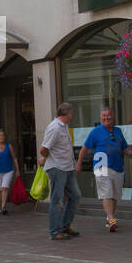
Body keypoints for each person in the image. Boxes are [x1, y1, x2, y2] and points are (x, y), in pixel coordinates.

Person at [78, 107, 132, 232]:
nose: (106, 118)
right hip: (101, 164)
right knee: (106, 193)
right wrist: (79, 163)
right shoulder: (96, 131)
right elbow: (84, 148)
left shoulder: (118, 131)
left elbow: (124, 147)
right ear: (101, 117)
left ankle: (110, 219)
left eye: (108, 115)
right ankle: (111, 218)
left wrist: (131, 153)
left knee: (114, 195)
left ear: (112, 117)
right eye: (104, 116)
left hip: (117, 166)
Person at [40, 102, 81, 241]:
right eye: (72, 113)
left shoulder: (63, 126)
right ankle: (54, 231)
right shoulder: (54, 127)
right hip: (57, 168)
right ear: (69, 114)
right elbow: (43, 148)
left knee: (75, 195)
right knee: (57, 200)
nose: (72, 116)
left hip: (67, 167)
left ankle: (64, 226)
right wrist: (48, 158)